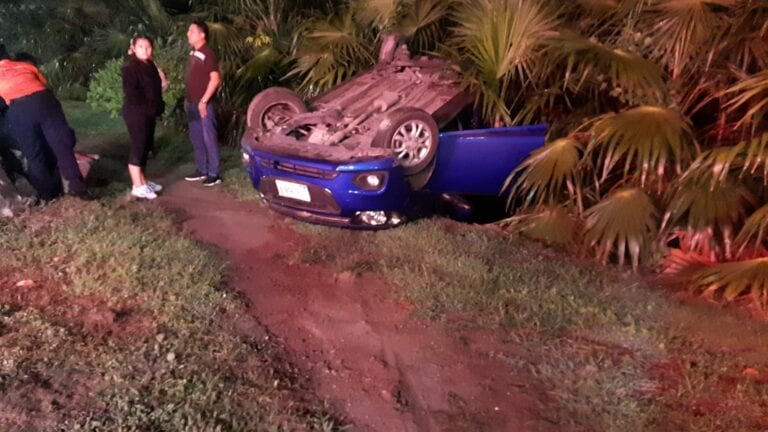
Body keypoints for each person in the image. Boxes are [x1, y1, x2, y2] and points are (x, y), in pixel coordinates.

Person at [0, 45, 91, 201]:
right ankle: (78, 189)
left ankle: (48, 195)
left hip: (19, 109)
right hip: (46, 102)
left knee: (34, 154)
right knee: (61, 147)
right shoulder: (25, 65)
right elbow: (42, 83)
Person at [122, 35, 165, 200]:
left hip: (149, 113)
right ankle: (137, 186)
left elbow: (155, 88)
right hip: (136, 113)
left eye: (148, 46)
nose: (145, 50)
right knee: (138, 146)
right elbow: (131, 93)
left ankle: (144, 181)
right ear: (133, 48)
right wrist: (147, 105)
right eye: (141, 46)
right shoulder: (130, 67)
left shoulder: (150, 65)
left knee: (146, 147)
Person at [184, 20, 222, 186]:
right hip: (191, 103)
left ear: (202, 35)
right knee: (196, 137)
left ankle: (214, 173)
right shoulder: (194, 53)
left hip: (204, 104)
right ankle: (202, 169)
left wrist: (204, 101)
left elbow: (215, 79)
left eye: (191, 31)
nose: (188, 34)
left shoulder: (208, 53)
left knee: (208, 137)